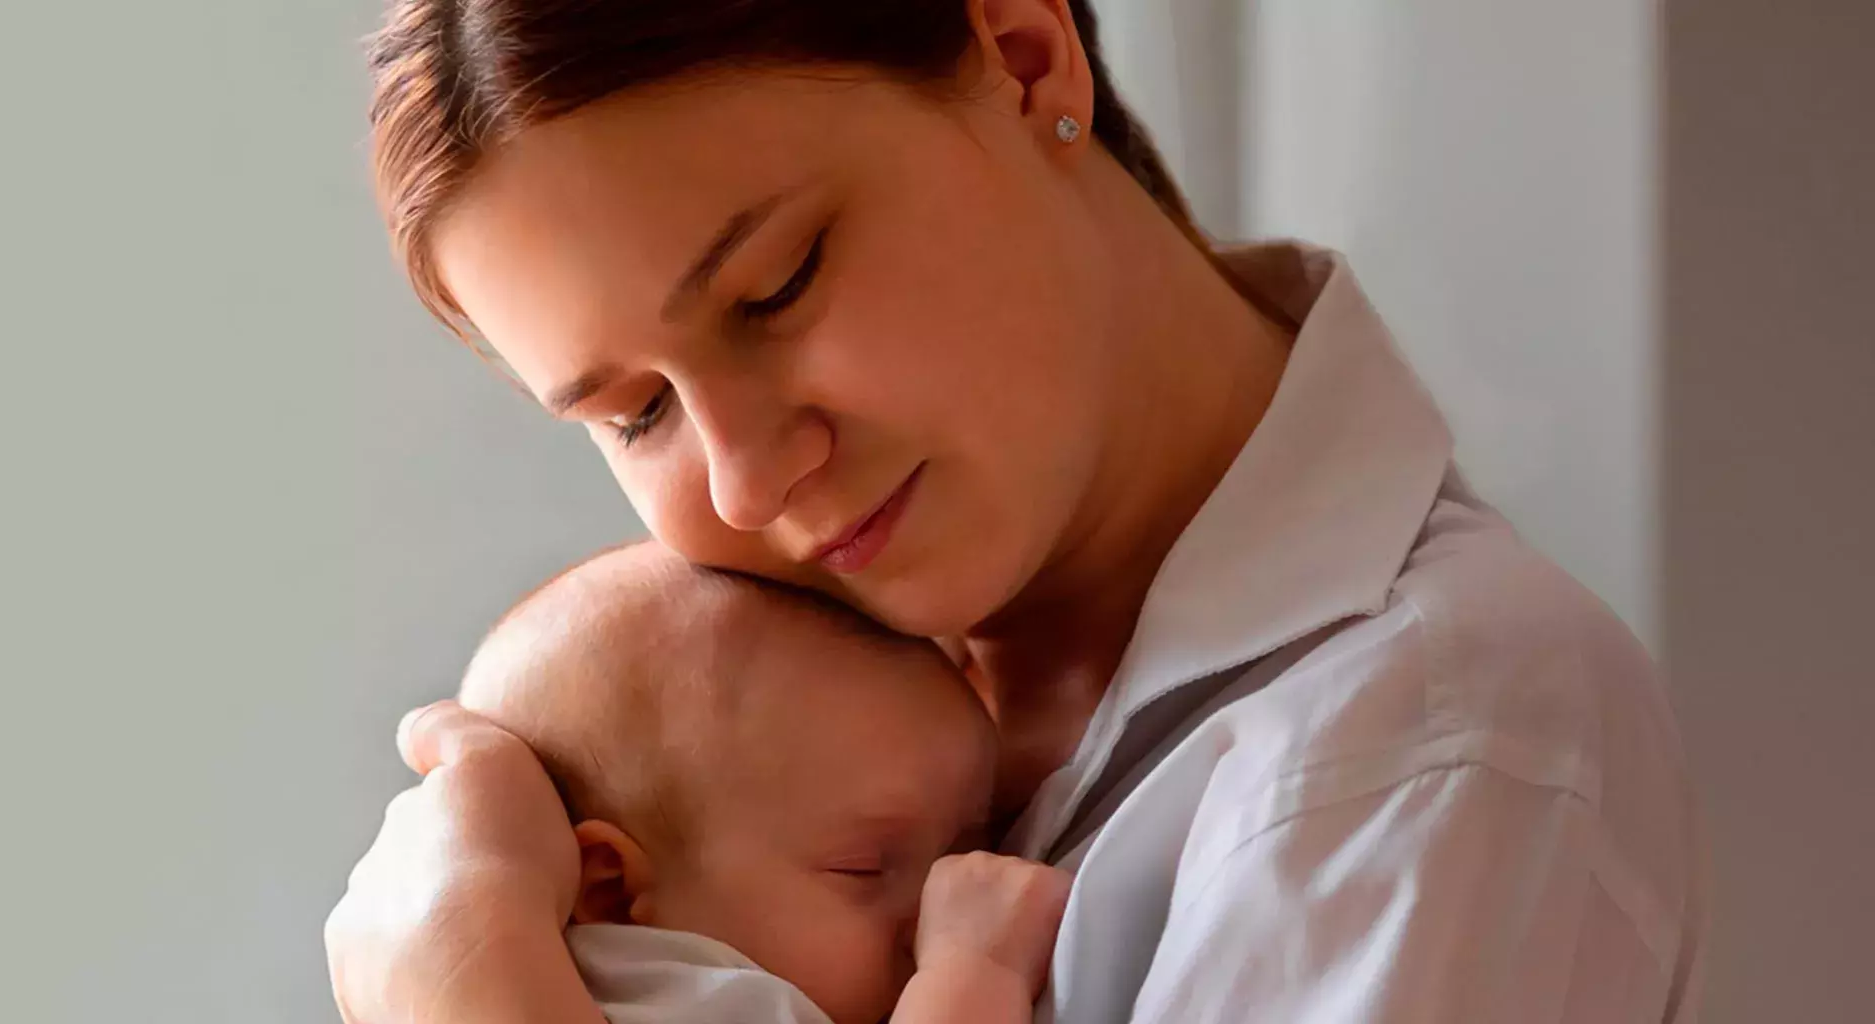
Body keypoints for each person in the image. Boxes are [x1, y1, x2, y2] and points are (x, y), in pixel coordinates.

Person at [328, 1, 1706, 1021]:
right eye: (637, 414)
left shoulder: (1435, 749)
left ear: (1026, 51)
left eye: (777, 285)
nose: (746, 478)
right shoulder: (681, 732)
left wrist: (470, 989)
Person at [455, 541, 1068, 1024]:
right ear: (614, 894)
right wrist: (975, 972)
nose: (942, 905)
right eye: (866, 868)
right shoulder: (681, 997)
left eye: (969, 849)